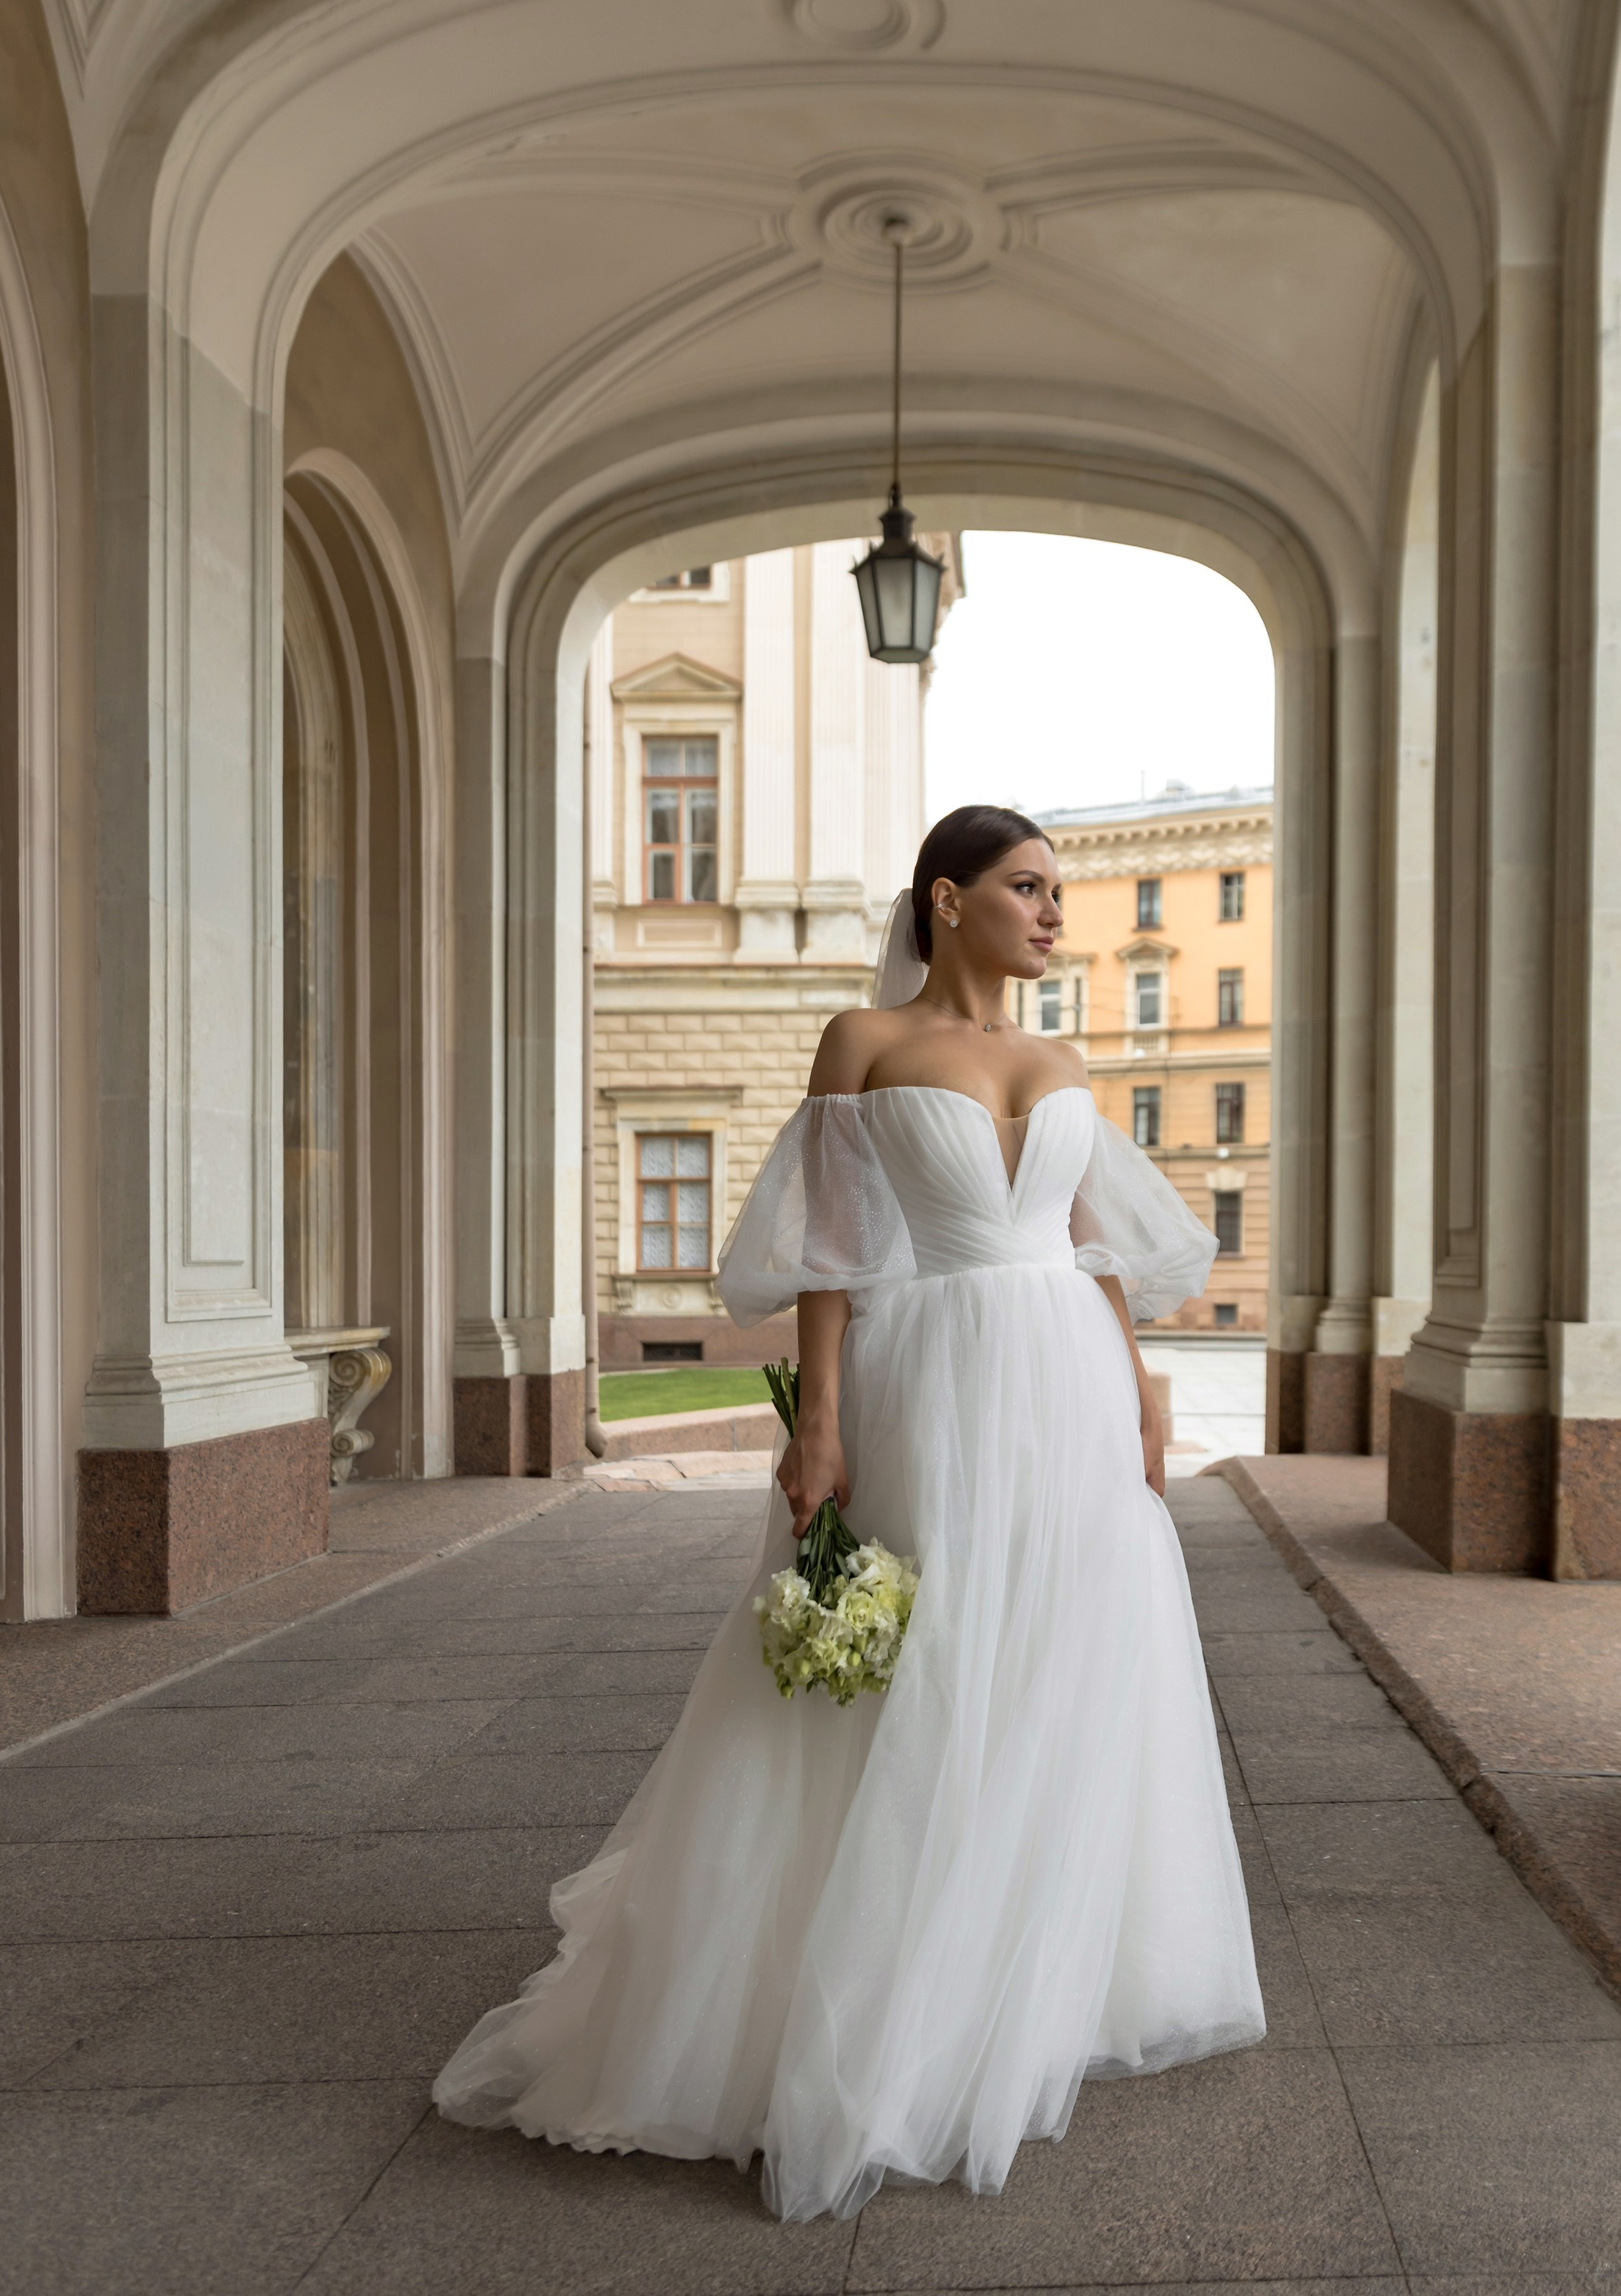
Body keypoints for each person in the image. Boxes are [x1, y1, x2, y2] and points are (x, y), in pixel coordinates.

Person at [433, 804, 1265, 2221]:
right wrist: (814, 1416)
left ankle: (1027, 1961)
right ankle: (876, 1973)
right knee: (914, 1662)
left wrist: (1136, 1381)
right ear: (946, 900)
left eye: (1058, 890)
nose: (1053, 913)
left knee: (1060, 1661)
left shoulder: (1061, 1058)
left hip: (1064, 1379)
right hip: (926, 1380)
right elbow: (827, 1248)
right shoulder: (863, 1043)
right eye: (1026, 887)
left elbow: (1092, 1244)